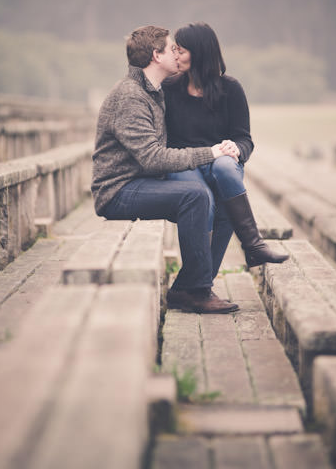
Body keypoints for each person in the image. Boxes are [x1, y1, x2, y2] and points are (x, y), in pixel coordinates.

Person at [92, 24, 241, 314]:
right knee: (195, 195)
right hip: (118, 191)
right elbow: (153, 158)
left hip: (141, 183)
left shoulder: (153, 90)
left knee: (224, 200)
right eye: (172, 48)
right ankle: (197, 291)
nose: (177, 53)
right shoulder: (130, 96)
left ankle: (188, 286)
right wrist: (210, 153)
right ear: (156, 56)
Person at [163, 21, 288, 276]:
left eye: (181, 50)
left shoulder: (230, 89)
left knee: (226, 168)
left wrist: (236, 148)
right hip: (185, 165)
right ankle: (200, 284)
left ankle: (251, 245)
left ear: (199, 53)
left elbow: (245, 139)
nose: (175, 55)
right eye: (174, 50)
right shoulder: (169, 89)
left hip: (220, 163)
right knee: (205, 200)